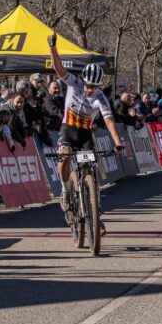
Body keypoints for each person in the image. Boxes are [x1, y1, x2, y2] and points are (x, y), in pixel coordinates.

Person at [48, 33, 124, 213]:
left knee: (92, 167)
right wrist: (52, 48)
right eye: (88, 85)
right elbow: (59, 69)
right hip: (68, 129)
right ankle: (66, 191)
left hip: (84, 134)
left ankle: (95, 211)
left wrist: (118, 142)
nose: (90, 90)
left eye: (94, 87)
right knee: (64, 154)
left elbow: (109, 120)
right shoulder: (75, 84)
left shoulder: (100, 97)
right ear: (84, 80)